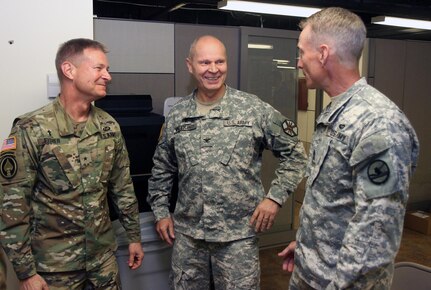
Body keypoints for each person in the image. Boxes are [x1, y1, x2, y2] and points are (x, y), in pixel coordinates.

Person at [147, 35, 307, 289]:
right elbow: (162, 169)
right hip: (188, 238)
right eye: (205, 62)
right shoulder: (177, 115)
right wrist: (160, 213)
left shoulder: (253, 109)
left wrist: (274, 198)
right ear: (190, 66)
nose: (213, 69)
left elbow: (296, 154)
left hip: (238, 239)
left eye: (219, 62)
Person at [278, 7, 420, 290]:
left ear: (323, 53)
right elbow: (335, 202)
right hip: (311, 273)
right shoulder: (338, 113)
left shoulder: (379, 125)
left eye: (302, 52)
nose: (298, 63)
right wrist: (308, 247)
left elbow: (376, 232)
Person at [0, 38, 144, 289]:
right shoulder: (31, 129)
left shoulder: (108, 126)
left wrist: (134, 237)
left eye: (107, 69)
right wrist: (25, 273)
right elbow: (12, 207)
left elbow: (122, 188)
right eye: (99, 68)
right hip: (53, 268)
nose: (107, 76)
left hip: (103, 262)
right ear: (69, 70)